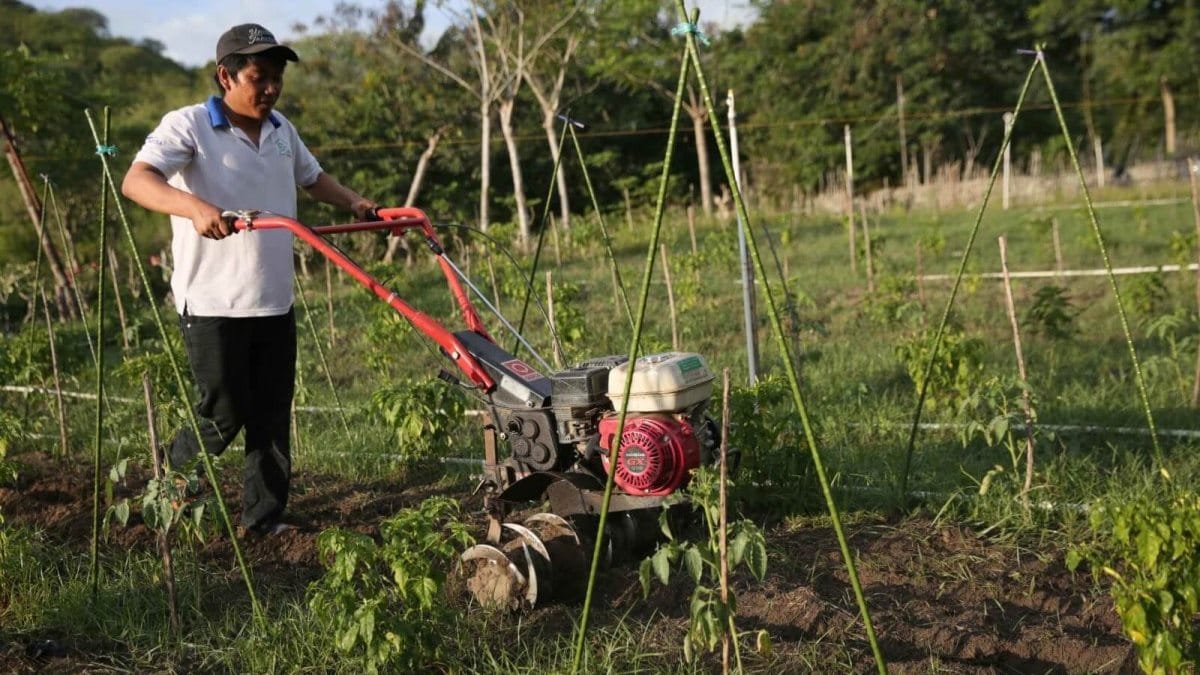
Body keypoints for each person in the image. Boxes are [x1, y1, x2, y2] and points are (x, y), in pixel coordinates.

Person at [122, 23, 376, 536]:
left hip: (274, 301)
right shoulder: (189, 125)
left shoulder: (282, 130)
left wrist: (353, 201)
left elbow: (312, 177)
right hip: (214, 303)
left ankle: (263, 522)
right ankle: (164, 497)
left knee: (271, 420)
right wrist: (194, 207)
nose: (270, 89)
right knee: (222, 415)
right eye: (259, 77)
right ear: (226, 76)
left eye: (277, 78)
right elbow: (137, 179)